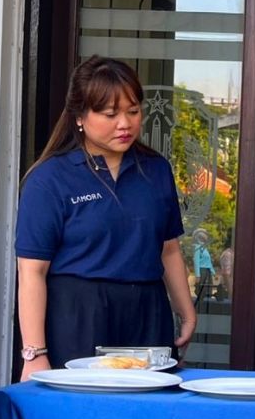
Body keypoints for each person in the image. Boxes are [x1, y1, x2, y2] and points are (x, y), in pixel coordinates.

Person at [14, 56, 197, 379]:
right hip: (78, 313)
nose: (124, 124)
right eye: (110, 114)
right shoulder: (50, 179)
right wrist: (35, 353)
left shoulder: (156, 171)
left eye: (133, 111)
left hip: (147, 311)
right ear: (79, 117)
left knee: (147, 402)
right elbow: (31, 271)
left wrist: (186, 311)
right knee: (81, 403)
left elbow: (169, 249)